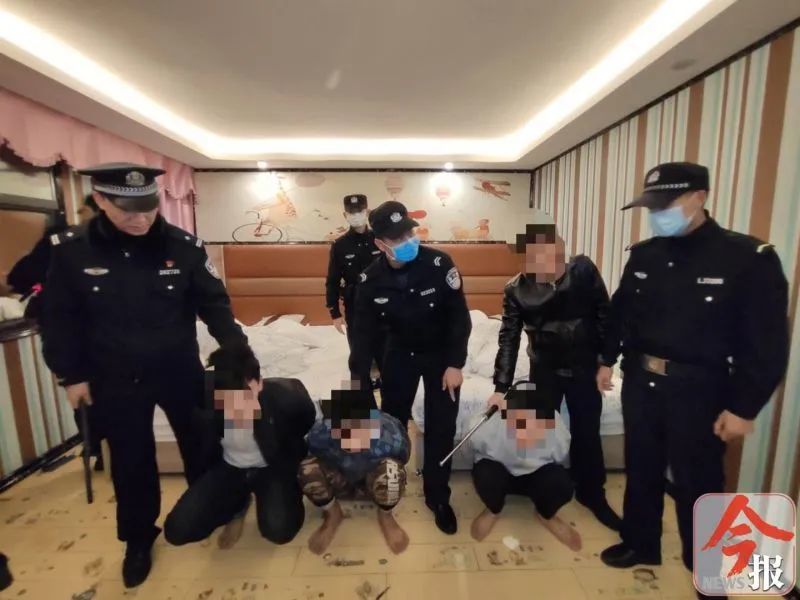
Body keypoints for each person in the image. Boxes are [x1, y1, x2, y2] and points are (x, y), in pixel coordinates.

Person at [40, 163, 247, 588]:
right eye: (128, 210)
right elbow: (59, 319)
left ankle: (208, 509)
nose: (141, 218)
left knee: (202, 445)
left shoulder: (184, 247)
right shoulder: (72, 250)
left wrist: (238, 352)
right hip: (113, 376)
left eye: (149, 207)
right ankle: (137, 539)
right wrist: (71, 376)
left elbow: (215, 306)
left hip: (178, 370)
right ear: (101, 200)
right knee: (131, 461)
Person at [596, 162, 789, 594]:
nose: (658, 214)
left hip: (700, 390)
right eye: (652, 206)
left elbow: (767, 343)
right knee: (641, 467)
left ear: (699, 197)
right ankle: (640, 543)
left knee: (698, 484)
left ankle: (709, 573)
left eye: (667, 204)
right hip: (641, 382)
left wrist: (744, 407)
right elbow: (621, 313)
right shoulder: (645, 254)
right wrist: (606, 359)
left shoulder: (746, 258)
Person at [349, 200, 471, 534]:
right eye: (398, 238)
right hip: (399, 353)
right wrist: (359, 379)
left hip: (440, 355)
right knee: (392, 424)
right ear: (380, 243)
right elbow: (362, 334)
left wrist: (455, 364)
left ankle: (438, 496)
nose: (407, 241)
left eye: (409, 233)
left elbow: (459, 318)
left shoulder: (439, 263)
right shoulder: (370, 279)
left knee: (441, 424)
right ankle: (390, 485)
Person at [488, 224, 621, 531]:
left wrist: (607, 361)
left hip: (584, 367)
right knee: (538, 432)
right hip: (544, 369)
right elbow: (508, 338)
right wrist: (500, 387)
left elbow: (605, 315)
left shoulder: (583, 270)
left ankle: (592, 493)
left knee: (587, 432)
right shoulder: (515, 289)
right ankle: (541, 487)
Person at [164, 342, 315, 549]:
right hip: (229, 468)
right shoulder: (205, 406)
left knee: (279, 530)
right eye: (229, 401)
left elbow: (305, 424)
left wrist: (290, 471)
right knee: (178, 530)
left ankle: (274, 496)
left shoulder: (287, 400)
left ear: (258, 383)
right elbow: (200, 450)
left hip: (271, 468)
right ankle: (238, 507)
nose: (237, 407)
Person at [299, 384, 411, 554]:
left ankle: (385, 515)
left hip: (372, 484)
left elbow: (402, 464)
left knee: (393, 472)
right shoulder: (319, 434)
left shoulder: (393, 437)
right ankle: (333, 514)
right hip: (341, 483)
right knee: (307, 468)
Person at [469, 383, 581, 551]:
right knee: (484, 473)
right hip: (502, 473)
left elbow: (560, 456)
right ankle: (493, 509)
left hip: (536, 476)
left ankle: (546, 514)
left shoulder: (553, 423)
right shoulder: (492, 421)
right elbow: (472, 443)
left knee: (562, 482)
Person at [325, 194, 385, 386]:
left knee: (387, 357)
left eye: (359, 211)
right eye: (352, 212)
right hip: (356, 308)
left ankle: (390, 401)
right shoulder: (340, 245)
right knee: (359, 362)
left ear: (366, 212)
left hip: (383, 307)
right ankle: (360, 403)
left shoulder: (380, 239)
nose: (356, 215)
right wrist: (334, 312)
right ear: (345, 215)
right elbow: (332, 280)